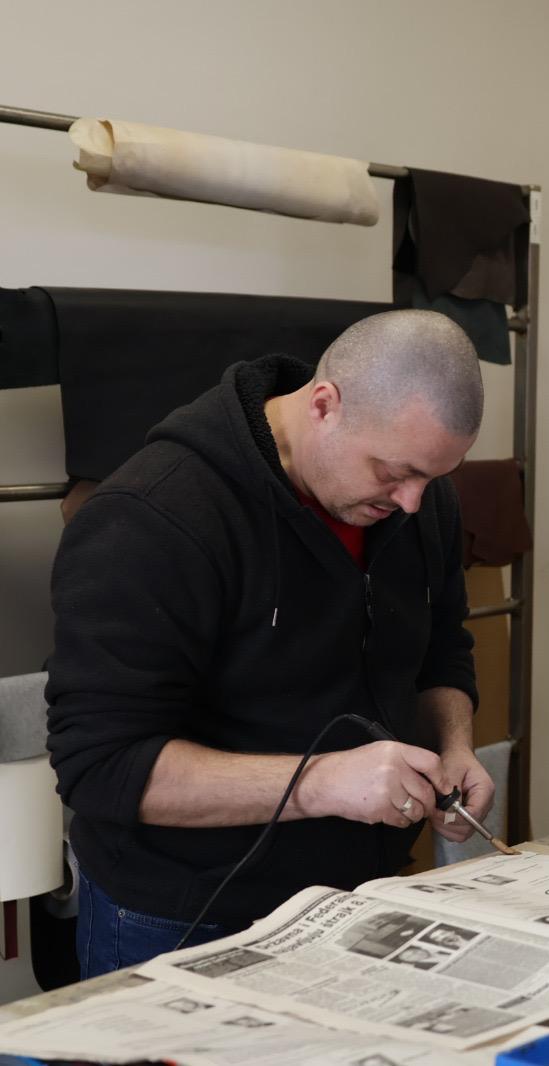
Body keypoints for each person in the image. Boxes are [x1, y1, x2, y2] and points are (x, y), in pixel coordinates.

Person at [47, 309, 496, 976]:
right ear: (324, 405)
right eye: (392, 472)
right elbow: (101, 767)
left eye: (434, 476)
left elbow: (441, 649)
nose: (410, 502)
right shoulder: (154, 518)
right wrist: (323, 783)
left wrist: (453, 747)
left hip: (362, 897)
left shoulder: (422, 501)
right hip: (183, 918)